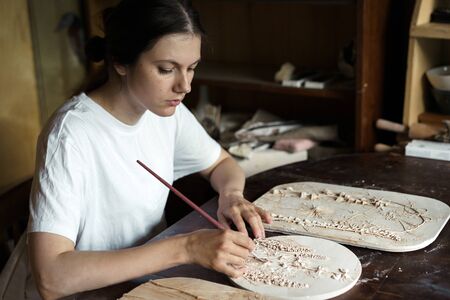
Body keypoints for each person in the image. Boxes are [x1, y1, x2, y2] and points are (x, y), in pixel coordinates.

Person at [21, 0, 273, 299]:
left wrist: (230, 195)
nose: (185, 86)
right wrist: (187, 247)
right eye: (167, 69)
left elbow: (221, 164)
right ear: (120, 62)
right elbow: (52, 278)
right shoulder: (70, 135)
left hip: (145, 284)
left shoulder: (166, 111)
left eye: (191, 68)